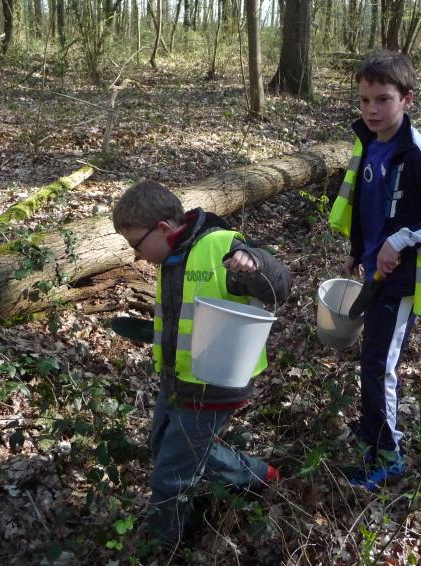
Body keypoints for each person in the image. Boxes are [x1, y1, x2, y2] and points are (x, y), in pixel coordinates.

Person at [112, 179, 290, 546]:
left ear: (163, 229)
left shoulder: (220, 246)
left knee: (171, 475)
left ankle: (161, 547)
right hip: (177, 380)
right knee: (165, 447)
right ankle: (257, 474)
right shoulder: (173, 256)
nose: (137, 256)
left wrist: (253, 264)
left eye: (136, 245)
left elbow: (281, 285)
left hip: (214, 384)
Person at [328, 50, 421, 491]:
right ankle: (372, 433)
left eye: (383, 99)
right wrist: (358, 250)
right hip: (373, 270)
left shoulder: (416, 153)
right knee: (369, 360)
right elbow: (365, 205)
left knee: (379, 365)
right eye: (365, 99)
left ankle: (388, 456)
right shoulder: (367, 140)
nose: (371, 109)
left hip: (400, 279)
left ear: (407, 100)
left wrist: (399, 240)